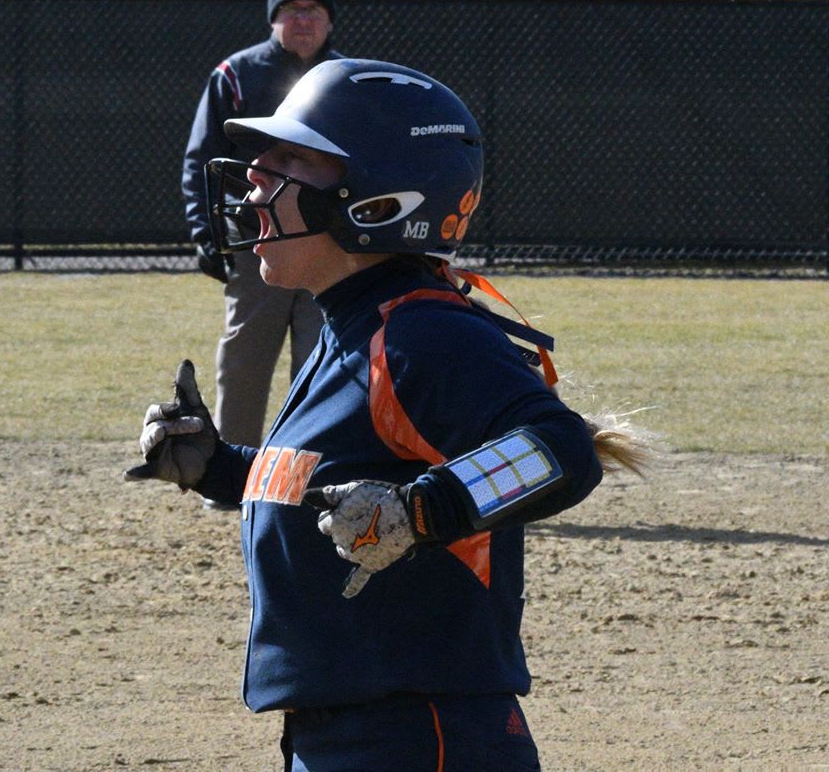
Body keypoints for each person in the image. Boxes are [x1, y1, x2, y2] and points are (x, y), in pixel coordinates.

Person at [128, 59, 647, 770]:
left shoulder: (418, 332)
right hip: (355, 734)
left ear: (375, 201)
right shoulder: (354, 322)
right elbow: (338, 481)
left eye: (287, 158)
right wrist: (221, 467)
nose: (254, 173)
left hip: (418, 737)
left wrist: (422, 511)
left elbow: (560, 448)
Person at [180, 0, 341, 508]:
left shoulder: (348, 79)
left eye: (314, 10)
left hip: (329, 245)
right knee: (246, 360)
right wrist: (207, 231)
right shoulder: (236, 74)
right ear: (274, 19)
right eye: (293, 9)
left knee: (325, 361)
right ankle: (227, 477)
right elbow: (201, 158)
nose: (303, 20)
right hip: (259, 240)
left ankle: (311, 480)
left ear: (329, 22)